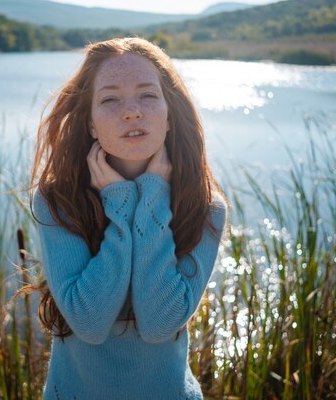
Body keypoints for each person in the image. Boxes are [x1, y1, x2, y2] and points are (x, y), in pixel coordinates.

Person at [29, 37, 227, 400]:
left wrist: (151, 199)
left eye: (148, 95)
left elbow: (158, 325)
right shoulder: (57, 202)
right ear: (89, 123)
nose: (132, 111)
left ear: (169, 114)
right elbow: (88, 323)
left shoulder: (204, 208)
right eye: (110, 99)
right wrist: (120, 207)